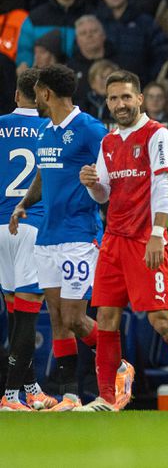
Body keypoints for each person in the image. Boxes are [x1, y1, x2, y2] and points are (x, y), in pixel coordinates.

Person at [78, 70, 168, 412]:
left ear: (139, 98)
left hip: (144, 240)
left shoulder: (157, 134)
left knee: (161, 320)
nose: (120, 104)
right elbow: (104, 195)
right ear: (107, 102)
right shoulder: (108, 141)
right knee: (106, 318)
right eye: (113, 99)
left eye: (126, 97)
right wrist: (91, 182)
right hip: (113, 241)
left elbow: (164, 185)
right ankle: (107, 397)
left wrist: (157, 234)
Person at [10, 65, 129, 412]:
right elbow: (43, 176)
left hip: (80, 235)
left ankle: (120, 367)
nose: (36, 102)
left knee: (76, 318)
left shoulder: (90, 129)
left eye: (38, 95)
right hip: (47, 236)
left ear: (46, 93)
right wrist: (23, 204)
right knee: (58, 318)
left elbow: (115, 171)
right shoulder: (46, 132)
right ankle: (71, 395)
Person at [0, 70, 53, 411]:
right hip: (31, 225)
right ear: (44, 96)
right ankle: (9, 396)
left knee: (16, 318)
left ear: (18, 96)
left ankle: (32, 390)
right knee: (28, 318)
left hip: (0, 226)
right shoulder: (53, 130)